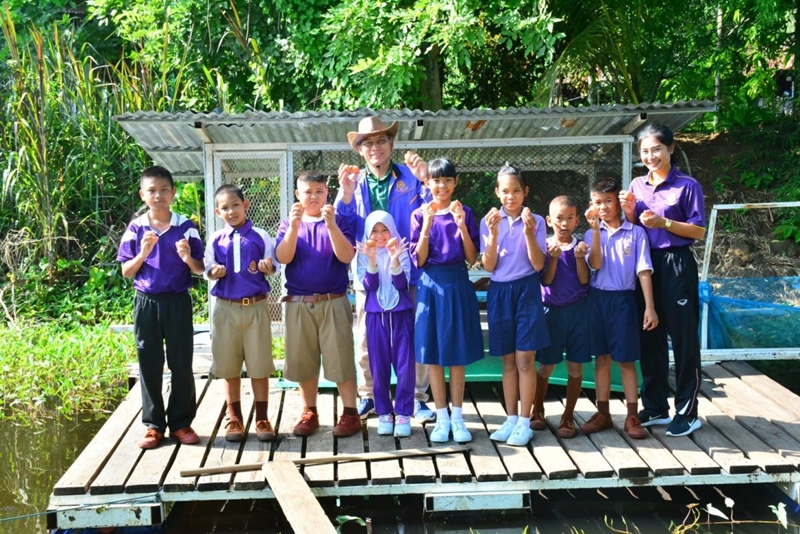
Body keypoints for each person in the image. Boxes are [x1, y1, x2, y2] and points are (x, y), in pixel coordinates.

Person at [335, 116, 434, 422]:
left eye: (381, 140)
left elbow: (434, 210)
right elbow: (341, 228)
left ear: (392, 143)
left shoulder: (411, 177)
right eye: (368, 143)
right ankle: (368, 395)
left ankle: (416, 398)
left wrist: (426, 181)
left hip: (408, 269)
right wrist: (345, 195)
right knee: (366, 337)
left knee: (414, 335)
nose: (375, 147)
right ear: (359, 150)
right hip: (370, 272)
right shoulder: (353, 183)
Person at [622, 124, 707, 437]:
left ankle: (688, 410)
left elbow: (698, 231)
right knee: (649, 335)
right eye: (645, 151)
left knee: (683, 338)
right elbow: (635, 227)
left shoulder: (687, 185)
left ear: (671, 148)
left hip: (676, 263)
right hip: (645, 266)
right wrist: (629, 213)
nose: (650, 156)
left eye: (656, 149)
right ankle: (656, 405)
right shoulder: (637, 184)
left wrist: (665, 223)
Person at [117, 165, 205, 449]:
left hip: (178, 301)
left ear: (173, 192)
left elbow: (200, 268)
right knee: (149, 363)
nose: (158, 195)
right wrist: (143, 252)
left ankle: (181, 423)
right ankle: (153, 426)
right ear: (142, 195)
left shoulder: (185, 226)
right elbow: (126, 271)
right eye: (152, 190)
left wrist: (187, 257)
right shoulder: (136, 228)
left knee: (181, 362)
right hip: (146, 302)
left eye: (164, 190)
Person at [275, 170, 361, 438]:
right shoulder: (288, 224)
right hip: (298, 302)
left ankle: (350, 413)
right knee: (304, 361)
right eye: (307, 192)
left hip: (333, 300)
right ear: (297, 195)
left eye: (319, 192)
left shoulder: (339, 220)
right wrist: (293, 227)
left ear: (327, 193)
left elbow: (346, 256)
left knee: (341, 359)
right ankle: (309, 411)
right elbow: (283, 257)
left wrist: (332, 225)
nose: (313, 197)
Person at [410, 157, 484, 443]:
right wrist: (427, 225)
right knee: (434, 355)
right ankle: (441, 417)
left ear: (455, 183)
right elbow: (419, 260)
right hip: (431, 286)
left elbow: (472, 258)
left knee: (457, 355)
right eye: (436, 181)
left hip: (458, 284)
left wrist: (462, 226)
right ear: (427, 182)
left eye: (447, 180)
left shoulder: (464, 212)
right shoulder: (420, 214)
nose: (441, 186)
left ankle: (458, 418)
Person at [579, 177, 658, 440]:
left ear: (618, 202)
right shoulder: (590, 234)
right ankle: (603, 413)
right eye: (597, 202)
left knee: (626, 360)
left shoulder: (636, 233)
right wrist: (594, 230)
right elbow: (596, 265)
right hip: (597, 300)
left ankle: (632, 416)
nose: (603, 207)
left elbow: (644, 271)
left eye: (608, 201)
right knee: (601, 359)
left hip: (624, 301)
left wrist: (650, 307)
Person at [480, 163, 549, 447]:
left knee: (525, 359)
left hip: (527, 290)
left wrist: (529, 233)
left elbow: (538, 264)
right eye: (505, 191)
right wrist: (493, 234)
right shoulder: (489, 221)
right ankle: (510, 419)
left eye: (516, 191)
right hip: (499, 292)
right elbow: (488, 265)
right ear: (497, 192)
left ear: (525, 192)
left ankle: (524, 422)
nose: (511, 197)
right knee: (507, 360)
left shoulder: (537, 221)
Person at [205, 184, 279, 442]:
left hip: (256, 307)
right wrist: (214, 272)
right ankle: (234, 418)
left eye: (235, 205)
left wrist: (267, 267)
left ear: (245, 205)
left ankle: (262, 418)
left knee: (259, 365)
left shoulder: (260, 235)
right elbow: (207, 268)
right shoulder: (216, 239)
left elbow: (273, 266)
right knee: (229, 365)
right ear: (218, 212)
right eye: (225, 208)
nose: (231, 211)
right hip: (226, 308)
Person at [530, 195, 591, 439]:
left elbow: (585, 280)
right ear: (548, 220)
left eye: (569, 218)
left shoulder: (581, 247)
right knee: (546, 366)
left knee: (575, 366)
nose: (564, 224)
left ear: (577, 221)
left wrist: (579, 258)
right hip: (551, 313)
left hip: (578, 313)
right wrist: (553, 258)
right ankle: (537, 409)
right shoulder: (544, 246)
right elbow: (546, 280)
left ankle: (568, 416)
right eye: (559, 218)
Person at [357, 211, 415, 438]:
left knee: (405, 367)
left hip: (401, 316)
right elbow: (369, 286)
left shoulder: (401, 250)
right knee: (378, 367)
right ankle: (384, 413)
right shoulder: (363, 253)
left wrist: (395, 259)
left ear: (392, 230)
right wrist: (372, 260)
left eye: (384, 230)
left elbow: (401, 284)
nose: (380, 235)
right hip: (376, 317)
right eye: (374, 231)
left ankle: (403, 413)